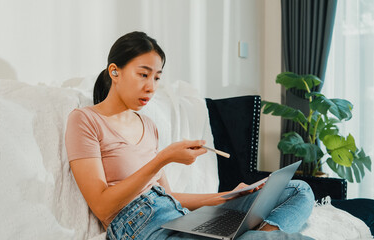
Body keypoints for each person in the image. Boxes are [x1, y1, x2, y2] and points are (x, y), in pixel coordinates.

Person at [65, 31, 315, 240]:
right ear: (114, 72)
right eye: (143, 74)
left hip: (177, 216)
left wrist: (225, 197)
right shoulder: (85, 120)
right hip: (140, 226)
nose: (151, 87)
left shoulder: (148, 125)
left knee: (297, 190)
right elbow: (102, 205)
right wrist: (163, 159)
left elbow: (168, 196)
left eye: (157, 77)